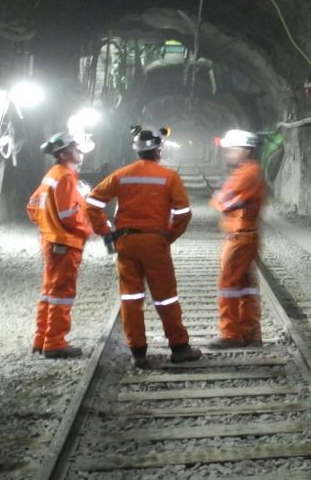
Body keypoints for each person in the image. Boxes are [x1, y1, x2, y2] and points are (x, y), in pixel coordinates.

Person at [84, 125, 202, 367]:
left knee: (131, 296)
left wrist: (106, 233)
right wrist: (169, 237)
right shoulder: (169, 177)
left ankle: (137, 352)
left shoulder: (121, 175)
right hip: (155, 242)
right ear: (159, 151)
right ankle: (179, 347)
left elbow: (92, 203)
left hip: (126, 242)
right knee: (166, 297)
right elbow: (183, 214)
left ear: (136, 150)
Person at [26, 132, 95, 359]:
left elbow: (32, 207)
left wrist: (47, 225)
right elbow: (69, 215)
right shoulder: (65, 177)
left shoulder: (52, 174)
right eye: (74, 148)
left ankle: (41, 339)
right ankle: (55, 343)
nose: (80, 150)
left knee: (49, 292)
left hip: (51, 241)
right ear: (64, 154)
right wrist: (87, 228)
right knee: (62, 293)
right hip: (65, 243)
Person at [209, 129, 267, 348]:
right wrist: (221, 197)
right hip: (244, 235)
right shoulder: (247, 171)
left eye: (232, 149)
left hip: (240, 236)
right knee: (245, 286)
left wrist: (218, 198)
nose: (228, 154)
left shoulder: (247, 174)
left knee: (228, 284)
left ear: (245, 150)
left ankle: (230, 334)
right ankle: (251, 334)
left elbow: (224, 202)